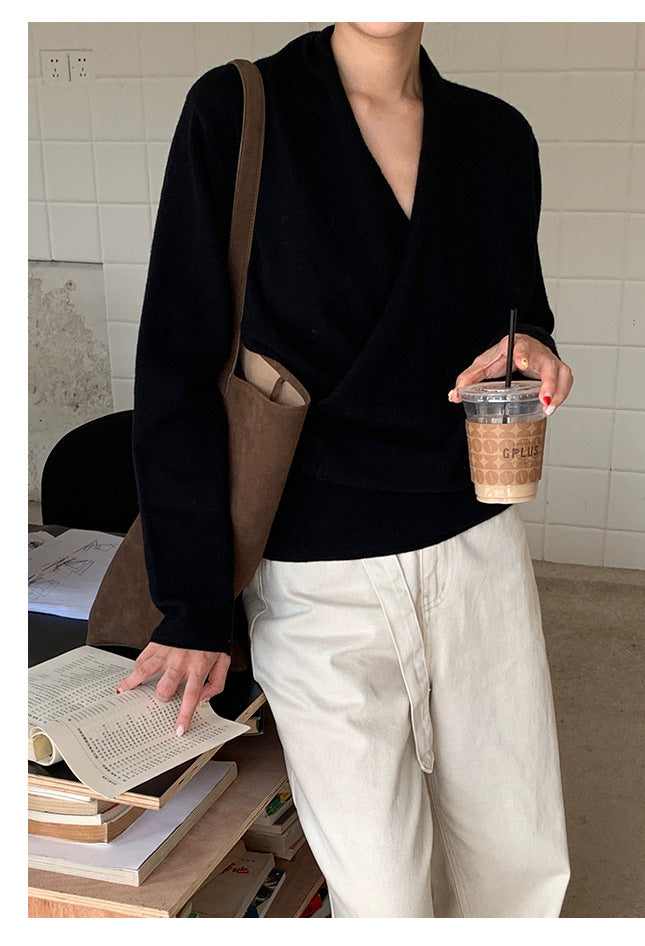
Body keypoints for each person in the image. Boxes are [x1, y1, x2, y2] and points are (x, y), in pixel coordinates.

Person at [118, 22, 573, 918]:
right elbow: (177, 366)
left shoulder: (497, 136)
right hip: (314, 571)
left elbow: (522, 313)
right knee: (381, 892)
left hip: (477, 549)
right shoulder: (239, 110)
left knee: (518, 867)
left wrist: (536, 350)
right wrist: (195, 603)